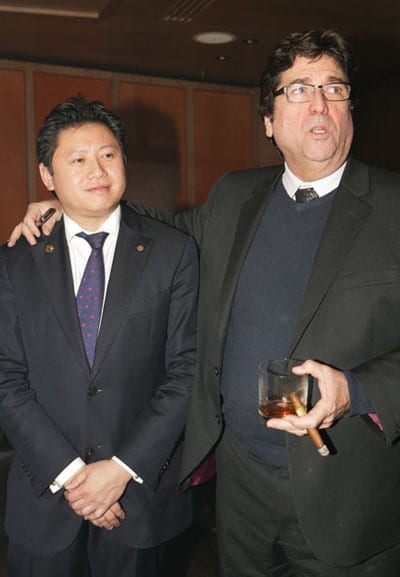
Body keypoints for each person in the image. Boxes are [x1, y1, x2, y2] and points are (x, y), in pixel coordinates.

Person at [9, 29, 400, 576]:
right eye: (298, 90)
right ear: (268, 121)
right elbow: (153, 234)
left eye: (334, 89)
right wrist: (67, 208)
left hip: (346, 492)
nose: (319, 103)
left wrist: (355, 390)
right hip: (240, 488)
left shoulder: (393, 208)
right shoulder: (235, 196)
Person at [1, 95, 198, 577]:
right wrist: (74, 478)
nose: (97, 170)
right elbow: (6, 377)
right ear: (47, 176)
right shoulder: (14, 262)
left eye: (108, 154)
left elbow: (188, 370)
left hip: (139, 498)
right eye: (78, 159)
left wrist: (119, 470)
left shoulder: (173, 252)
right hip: (44, 498)